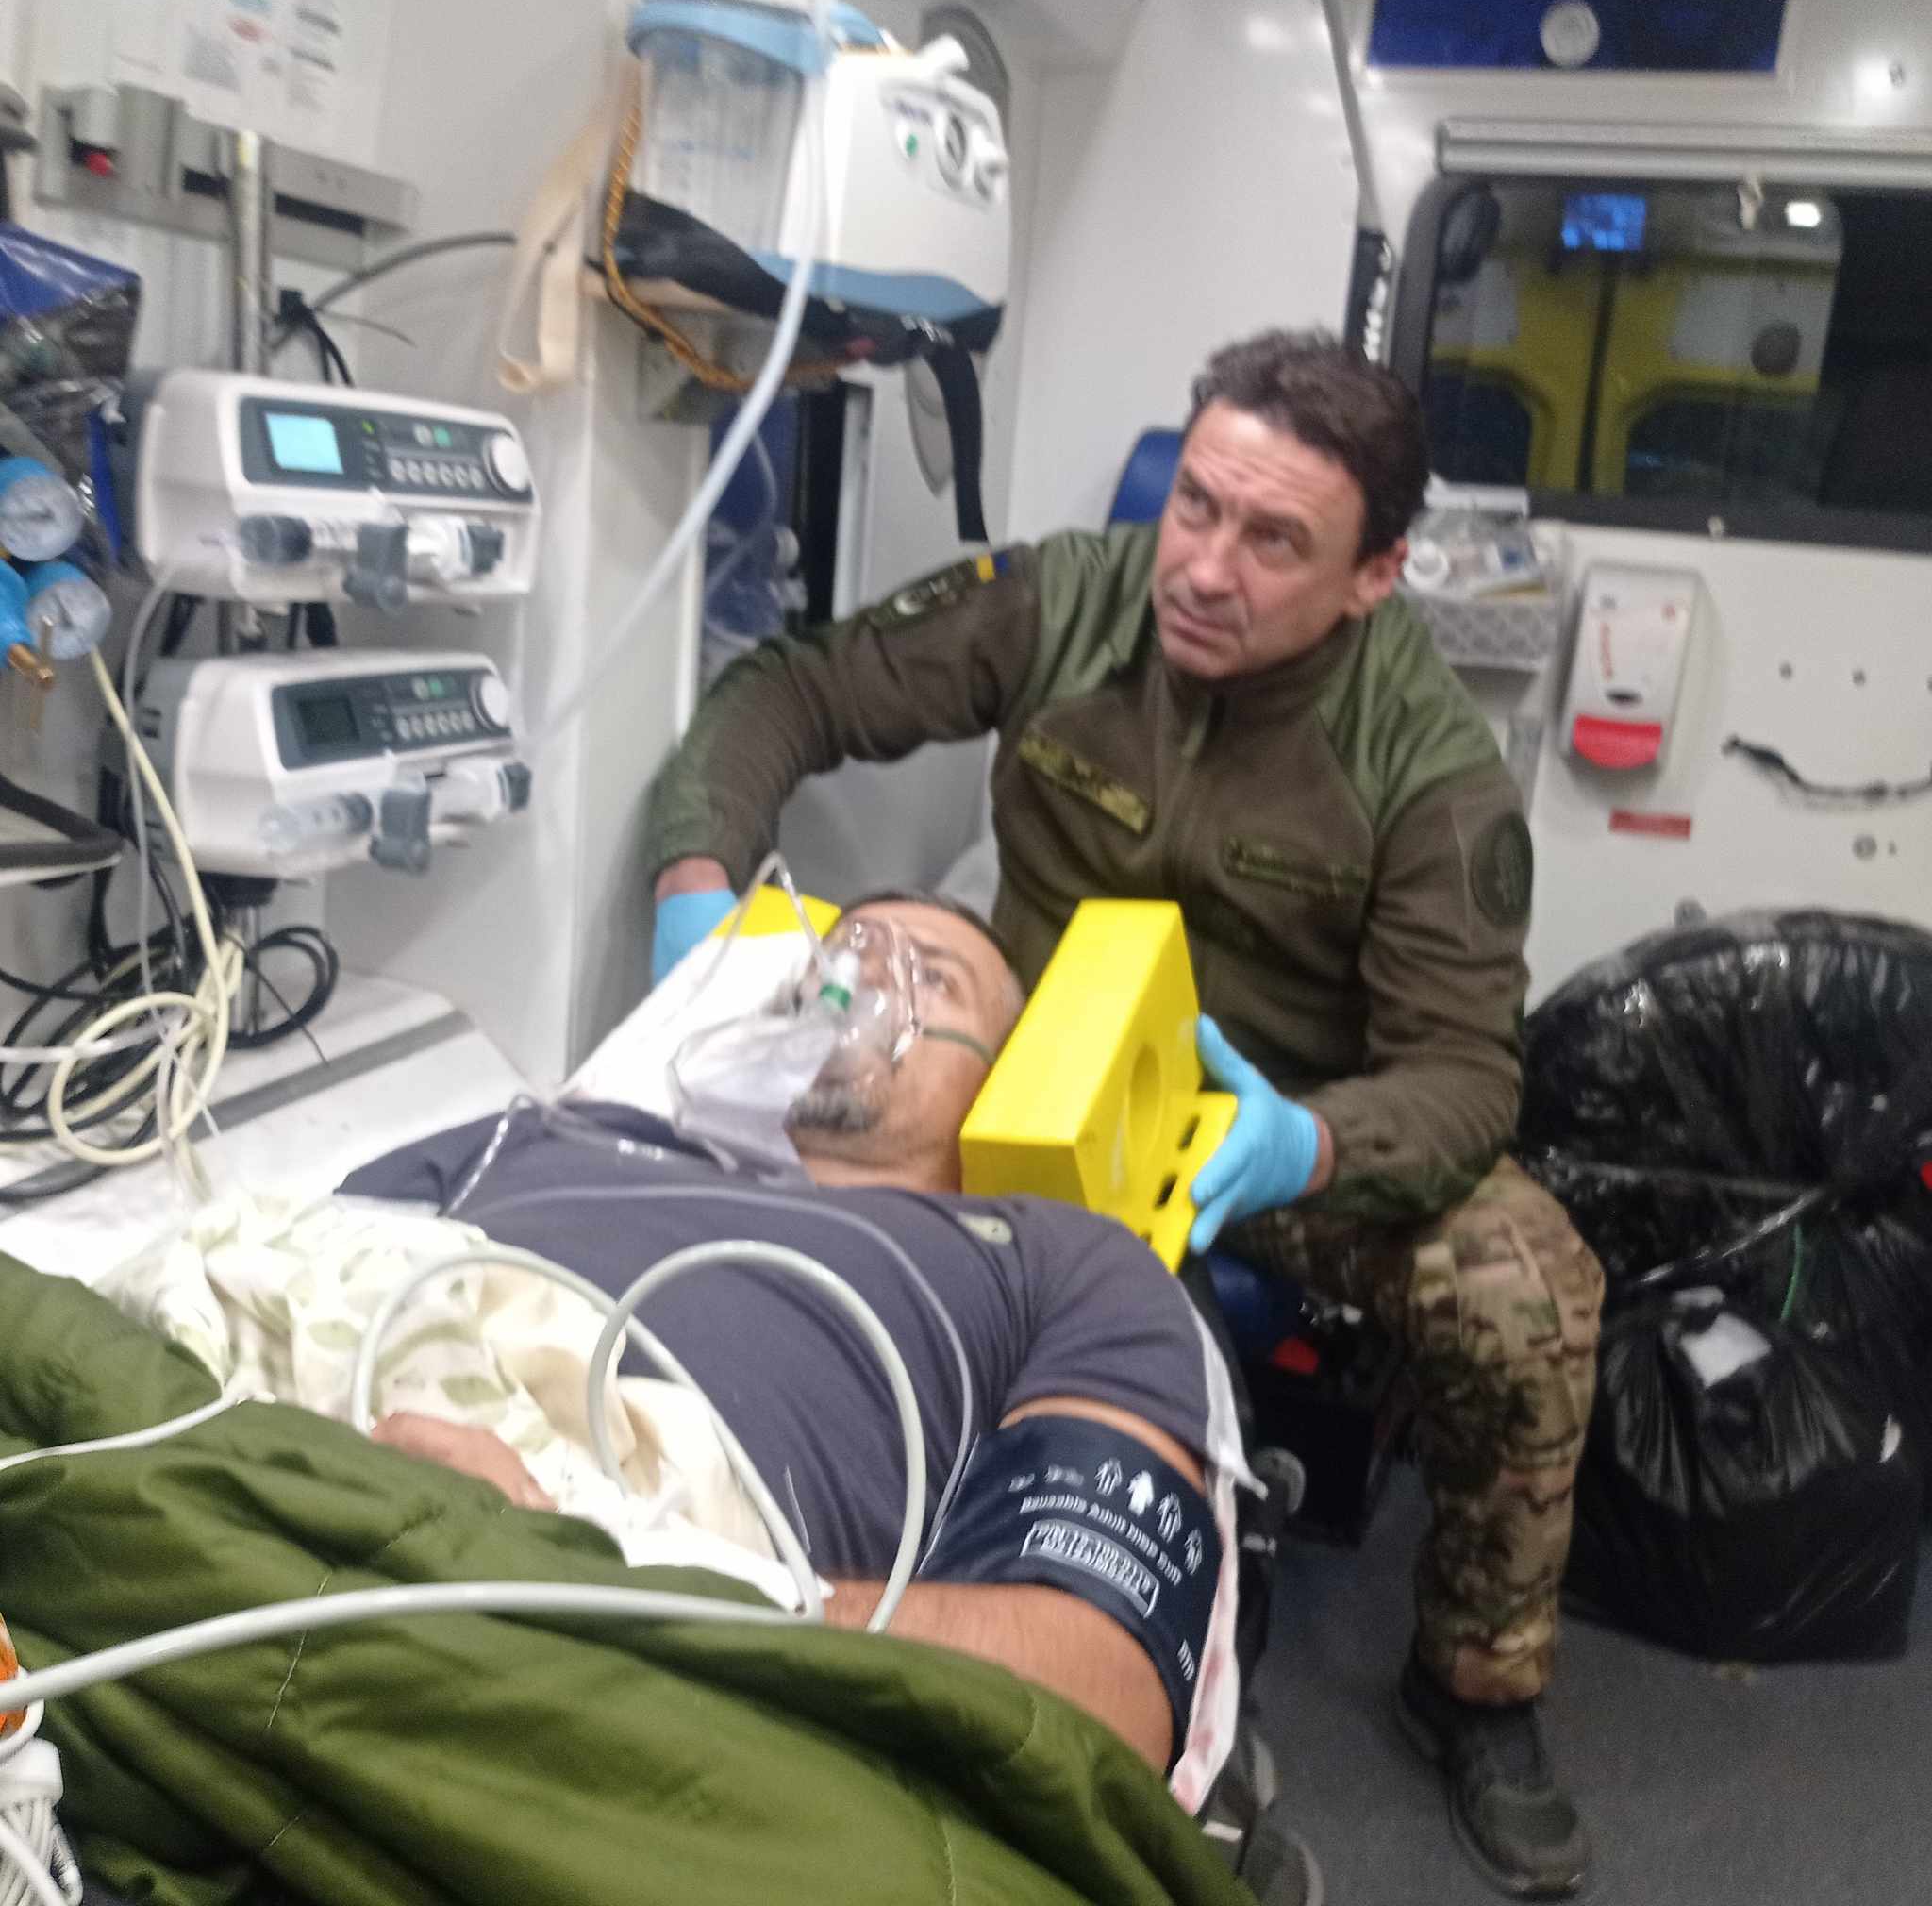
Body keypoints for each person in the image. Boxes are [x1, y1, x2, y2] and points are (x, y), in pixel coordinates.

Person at [642, 331, 1607, 1899]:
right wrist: (697, 881)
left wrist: (1305, 1145)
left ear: (1372, 576)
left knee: (1528, 1287)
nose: (1205, 569)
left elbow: (1462, 1076)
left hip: (1263, 1133)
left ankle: (1473, 1688)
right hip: (1023, 1083)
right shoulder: (1067, 600)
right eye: (1196, 505)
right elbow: (791, 689)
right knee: (774, 1141)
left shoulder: (1428, 767)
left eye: (1273, 539)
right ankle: (809, 1575)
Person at [344, 898, 1247, 1804]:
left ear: (1010, 1074)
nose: (860, 977)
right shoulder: (541, 1133)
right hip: (328, 1459)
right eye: (833, 956)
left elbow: (1098, 1690)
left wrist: (614, 1579)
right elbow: (286, 1263)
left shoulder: (1062, 1262)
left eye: (935, 979)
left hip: (592, 1679)